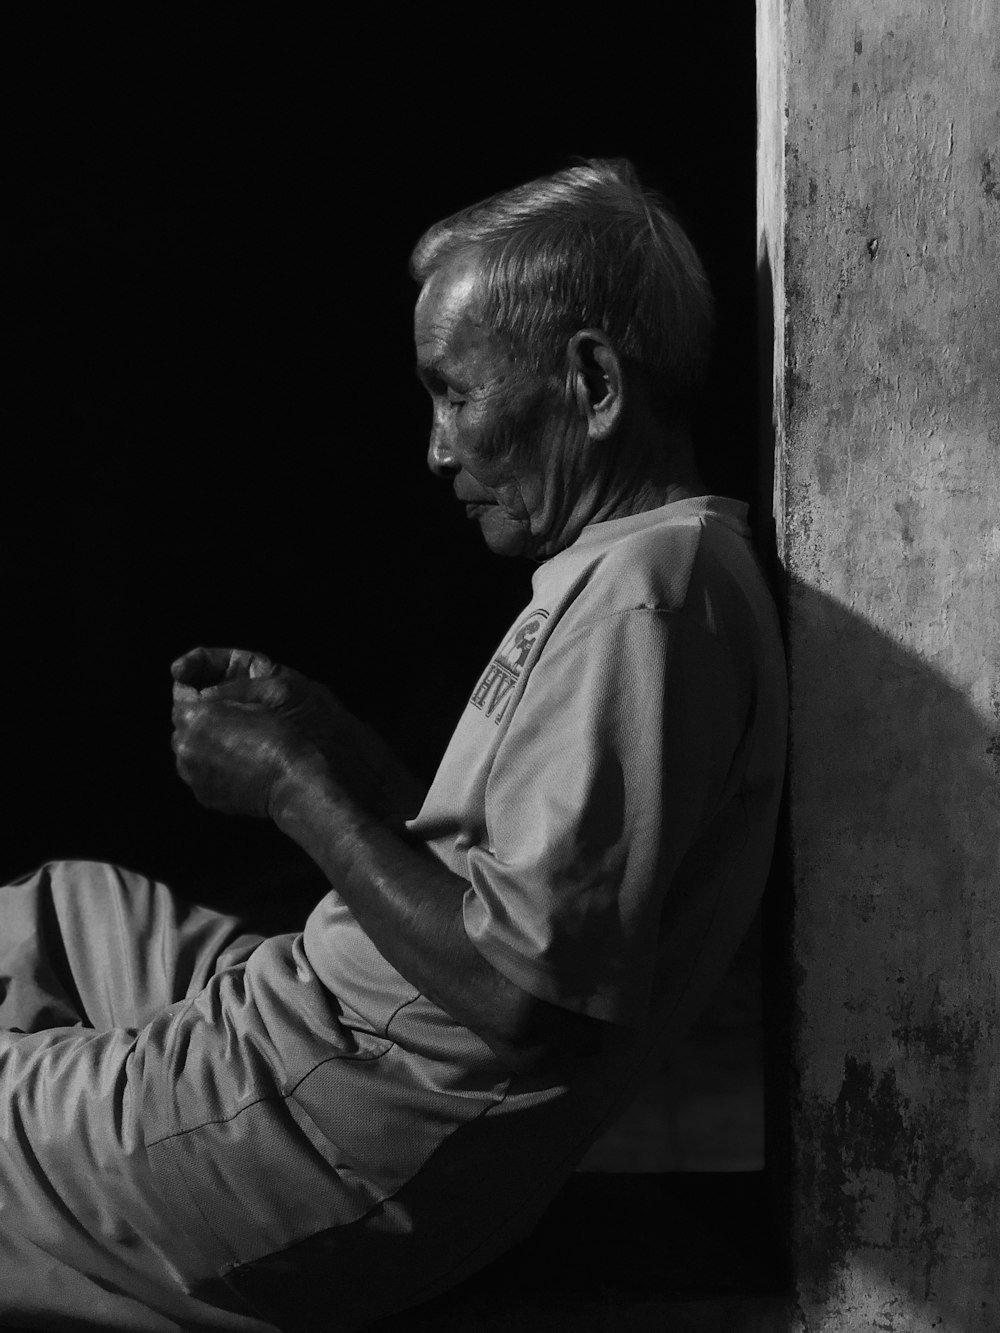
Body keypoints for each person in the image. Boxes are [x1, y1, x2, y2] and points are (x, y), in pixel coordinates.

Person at [0, 159, 787, 1332]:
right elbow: (525, 886)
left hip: (329, 1115)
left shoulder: (648, 597)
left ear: (592, 379)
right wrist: (348, 755)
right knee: (53, 912)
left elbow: (524, 998)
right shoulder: (635, 573)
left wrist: (293, 785)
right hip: (312, 1019)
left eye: (453, 393)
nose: (434, 448)